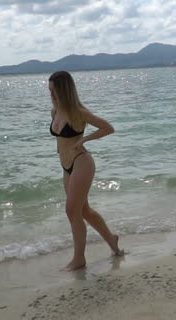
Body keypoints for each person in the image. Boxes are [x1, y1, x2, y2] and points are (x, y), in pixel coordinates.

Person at [48, 70, 124, 270]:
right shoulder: (55, 111)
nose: (51, 95)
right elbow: (59, 141)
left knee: (71, 211)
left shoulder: (78, 112)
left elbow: (108, 127)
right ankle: (111, 239)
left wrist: (84, 139)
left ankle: (79, 259)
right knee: (84, 211)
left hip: (82, 162)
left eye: (54, 91)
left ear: (64, 91)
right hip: (66, 167)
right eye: (49, 91)